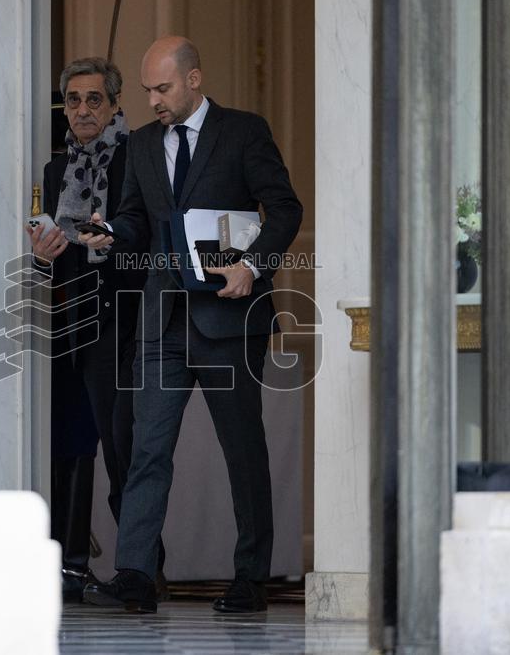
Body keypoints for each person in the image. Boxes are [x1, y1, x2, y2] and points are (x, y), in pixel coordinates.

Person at [79, 36, 303, 614]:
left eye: (163, 88)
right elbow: (136, 218)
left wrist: (253, 267)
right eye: (148, 89)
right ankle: (134, 574)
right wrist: (111, 231)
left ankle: (251, 578)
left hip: (229, 318)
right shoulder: (144, 145)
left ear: (194, 79)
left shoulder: (244, 131)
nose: (153, 100)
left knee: (242, 451)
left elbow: (284, 209)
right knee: (145, 448)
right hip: (162, 321)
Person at [26, 57, 154, 602]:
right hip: (66, 323)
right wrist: (41, 256)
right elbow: (50, 254)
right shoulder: (56, 172)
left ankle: (139, 570)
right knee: (69, 447)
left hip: (118, 322)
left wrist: (112, 239)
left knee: (122, 448)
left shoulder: (137, 160)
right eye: (73, 100)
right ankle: (70, 567)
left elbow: (147, 238)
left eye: (93, 99)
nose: (81, 110)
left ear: (114, 104)